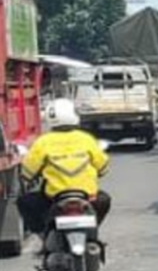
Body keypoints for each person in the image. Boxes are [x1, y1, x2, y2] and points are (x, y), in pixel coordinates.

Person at [18, 99, 111, 235]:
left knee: (24, 202)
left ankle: (43, 234)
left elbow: (27, 173)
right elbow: (103, 168)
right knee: (105, 200)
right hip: (88, 197)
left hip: (54, 198)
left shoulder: (43, 142)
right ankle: (93, 231)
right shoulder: (86, 139)